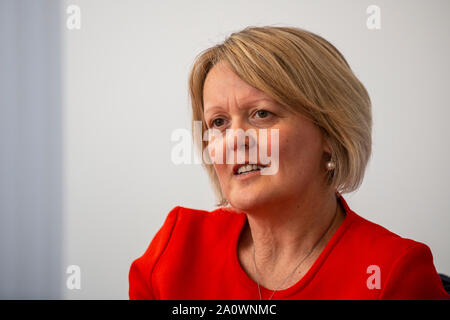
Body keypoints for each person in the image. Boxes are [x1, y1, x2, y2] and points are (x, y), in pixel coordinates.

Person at [129, 26, 449, 299]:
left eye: (262, 114)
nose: (234, 139)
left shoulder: (393, 273)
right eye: (219, 122)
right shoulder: (176, 248)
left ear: (329, 134)